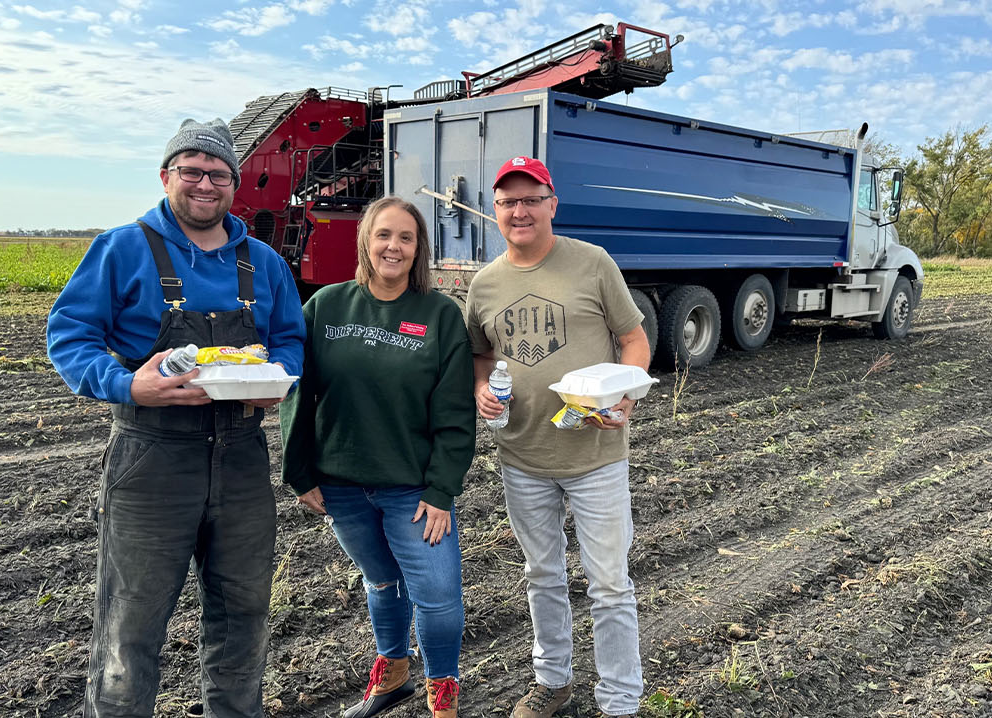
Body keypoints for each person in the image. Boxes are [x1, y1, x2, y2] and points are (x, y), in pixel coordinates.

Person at [47, 118, 306, 718]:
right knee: (130, 622)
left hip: (241, 457)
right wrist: (126, 385)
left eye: (218, 173)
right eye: (191, 170)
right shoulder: (123, 247)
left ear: (234, 184)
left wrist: (276, 380)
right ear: (167, 176)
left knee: (243, 613)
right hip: (151, 460)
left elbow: (291, 340)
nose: (204, 183)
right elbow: (71, 334)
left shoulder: (262, 262)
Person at [465, 157, 650, 718]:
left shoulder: (592, 263)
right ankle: (553, 681)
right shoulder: (486, 284)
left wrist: (626, 396)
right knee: (541, 575)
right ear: (495, 211)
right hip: (522, 455)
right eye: (507, 201)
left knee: (609, 584)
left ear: (551, 204)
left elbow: (634, 339)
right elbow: (481, 354)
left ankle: (619, 702)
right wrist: (480, 389)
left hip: (594, 453)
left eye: (530, 198)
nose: (519, 210)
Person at [279, 196, 475, 718]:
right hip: (341, 484)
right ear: (366, 241)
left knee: (436, 594)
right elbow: (298, 393)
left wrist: (442, 490)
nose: (394, 246)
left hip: (412, 489)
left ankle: (443, 693)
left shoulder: (439, 315)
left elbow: (455, 410)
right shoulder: (326, 305)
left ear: (419, 251)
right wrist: (298, 474)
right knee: (382, 582)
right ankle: (391, 675)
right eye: (384, 234)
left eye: (406, 238)